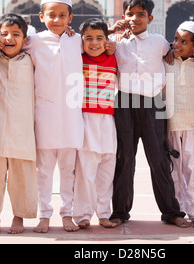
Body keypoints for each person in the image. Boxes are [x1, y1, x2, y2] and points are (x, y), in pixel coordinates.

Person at [0, 0, 84, 232]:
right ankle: (44, 214)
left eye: (63, 15)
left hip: (72, 117)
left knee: (68, 172)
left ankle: (67, 214)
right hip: (44, 117)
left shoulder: (78, 40)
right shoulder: (35, 41)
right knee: (43, 172)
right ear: (42, 16)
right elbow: (11, 42)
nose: (57, 20)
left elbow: (100, 41)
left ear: (71, 17)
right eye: (51, 15)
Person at [108, 0, 189, 228]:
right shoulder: (115, 43)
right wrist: (112, 29)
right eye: (130, 14)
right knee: (124, 160)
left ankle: (171, 212)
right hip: (124, 103)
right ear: (123, 16)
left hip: (153, 104)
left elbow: (182, 52)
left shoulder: (159, 42)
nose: (135, 18)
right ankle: (120, 212)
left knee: (159, 158)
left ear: (150, 18)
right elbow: (88, 38)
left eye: (141, 14)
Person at [0, 14, 38, 235]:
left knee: (22, 179)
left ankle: (19, 217)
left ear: (25, 40)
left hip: (23, 131)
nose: (9, 38)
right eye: (4, 34)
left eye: (16, 34)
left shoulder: (32, 59)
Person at [72, 18, 118, 229]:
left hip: (108, 120)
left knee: (107, 167)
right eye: (88, 38)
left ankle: (103, 213)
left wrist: (115, 43)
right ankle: (82, 214)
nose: (94, 43)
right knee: (86, 169)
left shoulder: (114, 58)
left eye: (100, 38)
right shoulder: (77, 59)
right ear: (81, 41)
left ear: (107, 41)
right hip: (85, 119)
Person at [164, 21, 194, 228]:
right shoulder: (166, 61)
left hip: (193, 124)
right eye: (175, 39)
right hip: (171, 125)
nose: (177, 45)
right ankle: (178, 209)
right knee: (174, 170)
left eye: (184, 42)